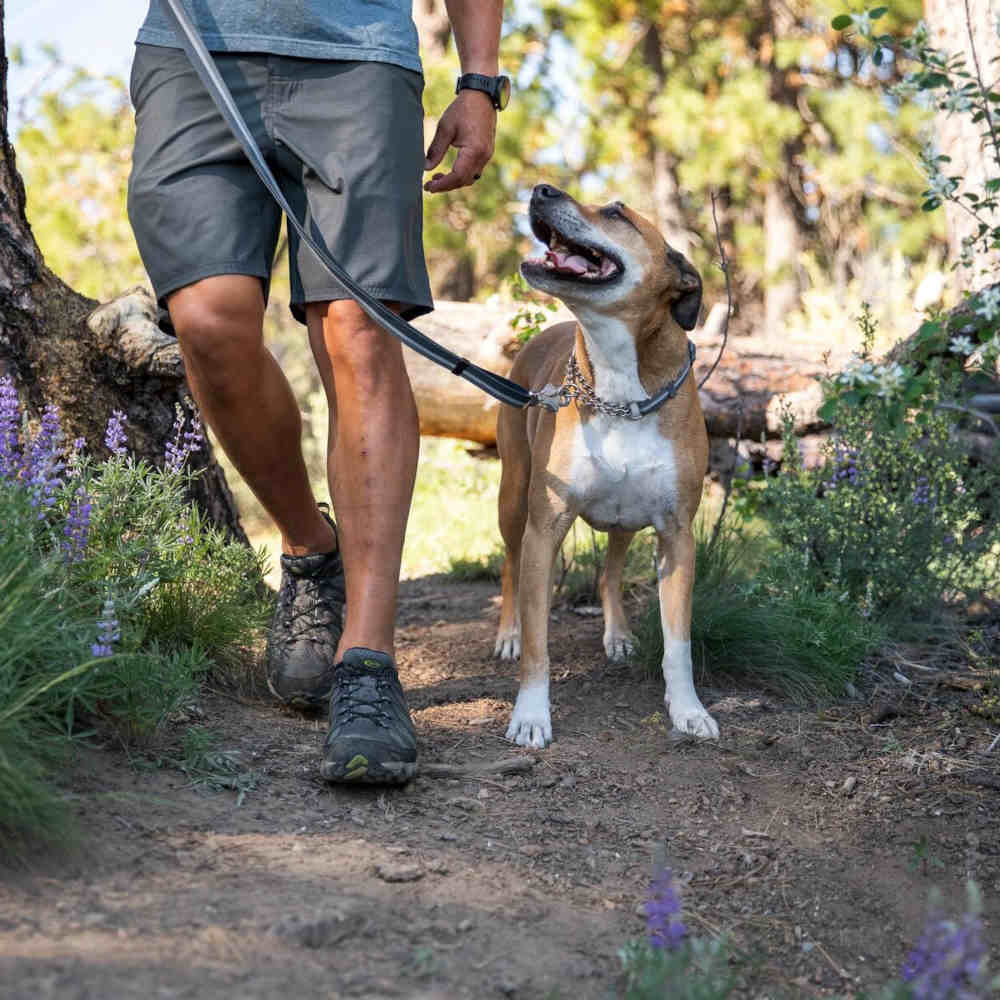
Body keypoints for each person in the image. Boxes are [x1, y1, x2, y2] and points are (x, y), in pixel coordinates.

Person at [127, 0, 508, 783]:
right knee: (207, 320)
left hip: (359, 57)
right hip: (194, 51)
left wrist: (478, 80)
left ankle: (368, 662)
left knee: (358, 330)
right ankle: (309, 549)